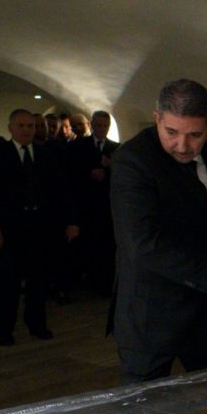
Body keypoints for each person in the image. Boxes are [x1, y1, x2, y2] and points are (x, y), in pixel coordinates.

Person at [110, 79, 207, 383]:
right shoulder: (133, 160)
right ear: (157, 118)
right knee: (146, 408)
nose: (182, 145)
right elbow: (142, 244)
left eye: (195, 135)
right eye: (171, 132)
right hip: (152, 314)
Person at [0, 109, 78, 345]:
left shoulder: (45, 154)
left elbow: (61, 190)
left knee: (38, 279)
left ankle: (36, 323)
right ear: (11, 128)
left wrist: (71, 220)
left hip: (40, 227)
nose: (26, 130)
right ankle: (4, 329)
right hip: (9, 228)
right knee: (8, 282)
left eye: (30, 126)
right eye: (21, 126)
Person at [68, 109, 119, 295]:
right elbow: (71, 176)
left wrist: (110, 169)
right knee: (87, 245)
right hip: (85, 205)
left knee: (106, 246)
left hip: (107, 207)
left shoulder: (116, 148)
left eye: (105, 126)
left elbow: (123, 178)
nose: (101, 129)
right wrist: (90, 173)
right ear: (91, 125)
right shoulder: (78, 146)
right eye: (98, 125)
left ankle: (104, 283)